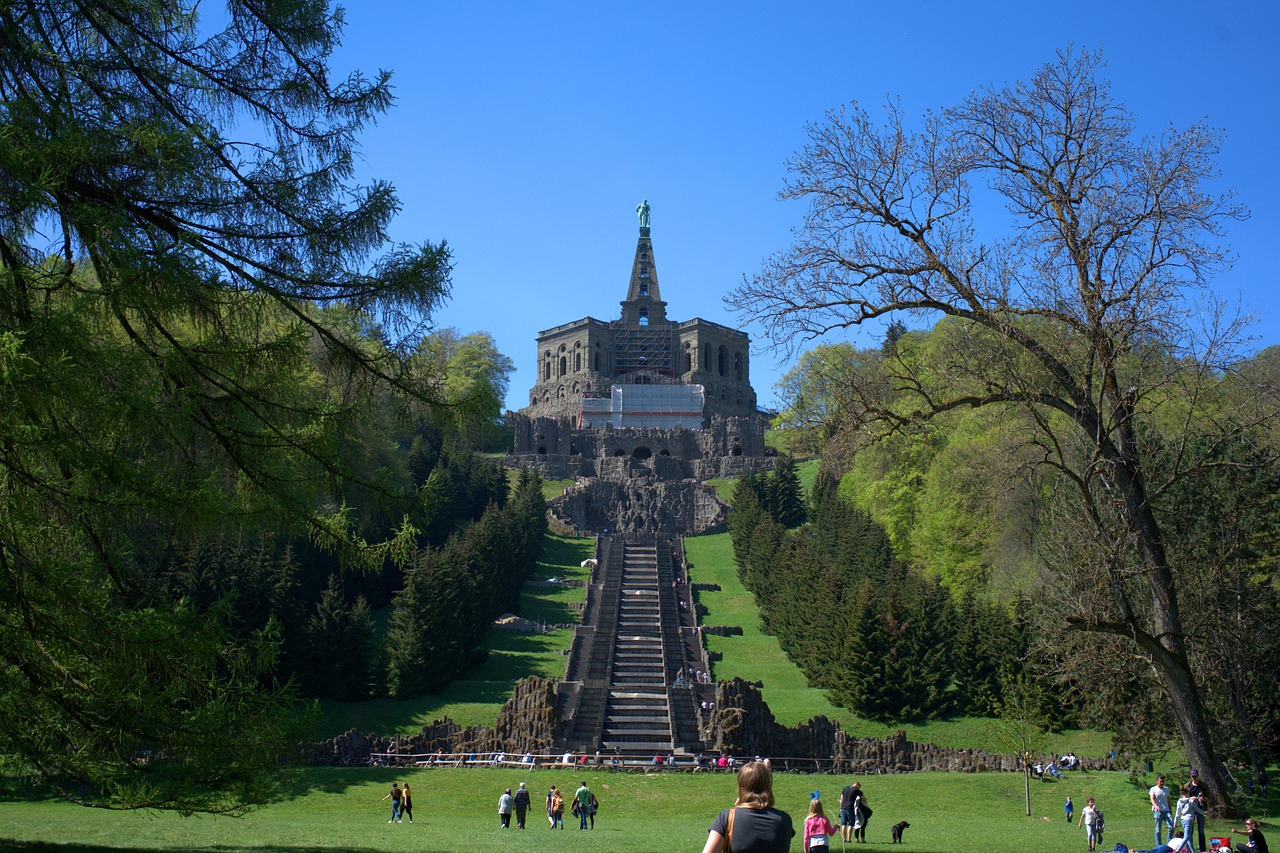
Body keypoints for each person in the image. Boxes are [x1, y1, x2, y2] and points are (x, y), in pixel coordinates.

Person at [700, 761, 794, 853]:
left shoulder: (727, 817)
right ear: (768, 786)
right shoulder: (784, 820)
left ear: (741, 786)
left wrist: (737, 810)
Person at [1174, 783, 1205, 853]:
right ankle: (1178, 850)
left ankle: (1193, 851)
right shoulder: (1191, 802)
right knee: (1187, 836)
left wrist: (1175, 822)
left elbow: (1177, 813)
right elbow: (1197, 809)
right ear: (1188, 793)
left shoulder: (1179, 801)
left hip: (1183, 820)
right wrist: (1204, 813)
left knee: (1189, 838)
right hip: (1189, 820)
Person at [1187, 769, 1207, 852]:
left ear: (1198, 775)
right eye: (1192, 776)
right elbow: (1183, 798)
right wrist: (1191, 798)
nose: (1194, 778)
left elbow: (1209, 798)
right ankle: (1190, 848)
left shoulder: (1203, 786)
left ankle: (1203, 849)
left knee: (1201, 830)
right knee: (1190, 830)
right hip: (1190, 809)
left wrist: (1204, 799)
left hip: (1200, 808)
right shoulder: (1187, 786)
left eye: (1195, 776)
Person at [1152, 774, 1175, 846]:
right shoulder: (1153, 789)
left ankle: (1169, 842)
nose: (1162, 783)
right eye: (1160, 781)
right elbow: (1152, 799)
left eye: (1163, 781)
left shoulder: (1166, 789)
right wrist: (1155, 806)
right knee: (1158, 830)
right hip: (1158, 811)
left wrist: (1170, 810)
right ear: (1157, 781)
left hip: (1166, 811)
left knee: (1171, 826)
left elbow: (1168, 801)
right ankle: (1159, 845)